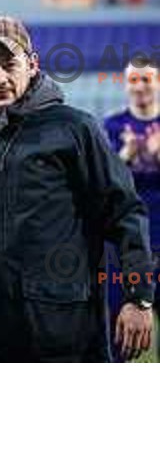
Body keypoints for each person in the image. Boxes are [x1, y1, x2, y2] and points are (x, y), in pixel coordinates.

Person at [0, 16, 154, 362]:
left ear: (32, 65)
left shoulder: (74, 127)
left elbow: (125, 211)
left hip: (64, 334)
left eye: (10, 65)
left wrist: (138, 297)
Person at [103, 56, 160, 361]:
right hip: (124, 248)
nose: (140, 86)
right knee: (120, 334)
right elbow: (101, 186)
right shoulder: (111, 125)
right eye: (134, 80)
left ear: (157, 82)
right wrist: (126, 154)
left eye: (146, 79)